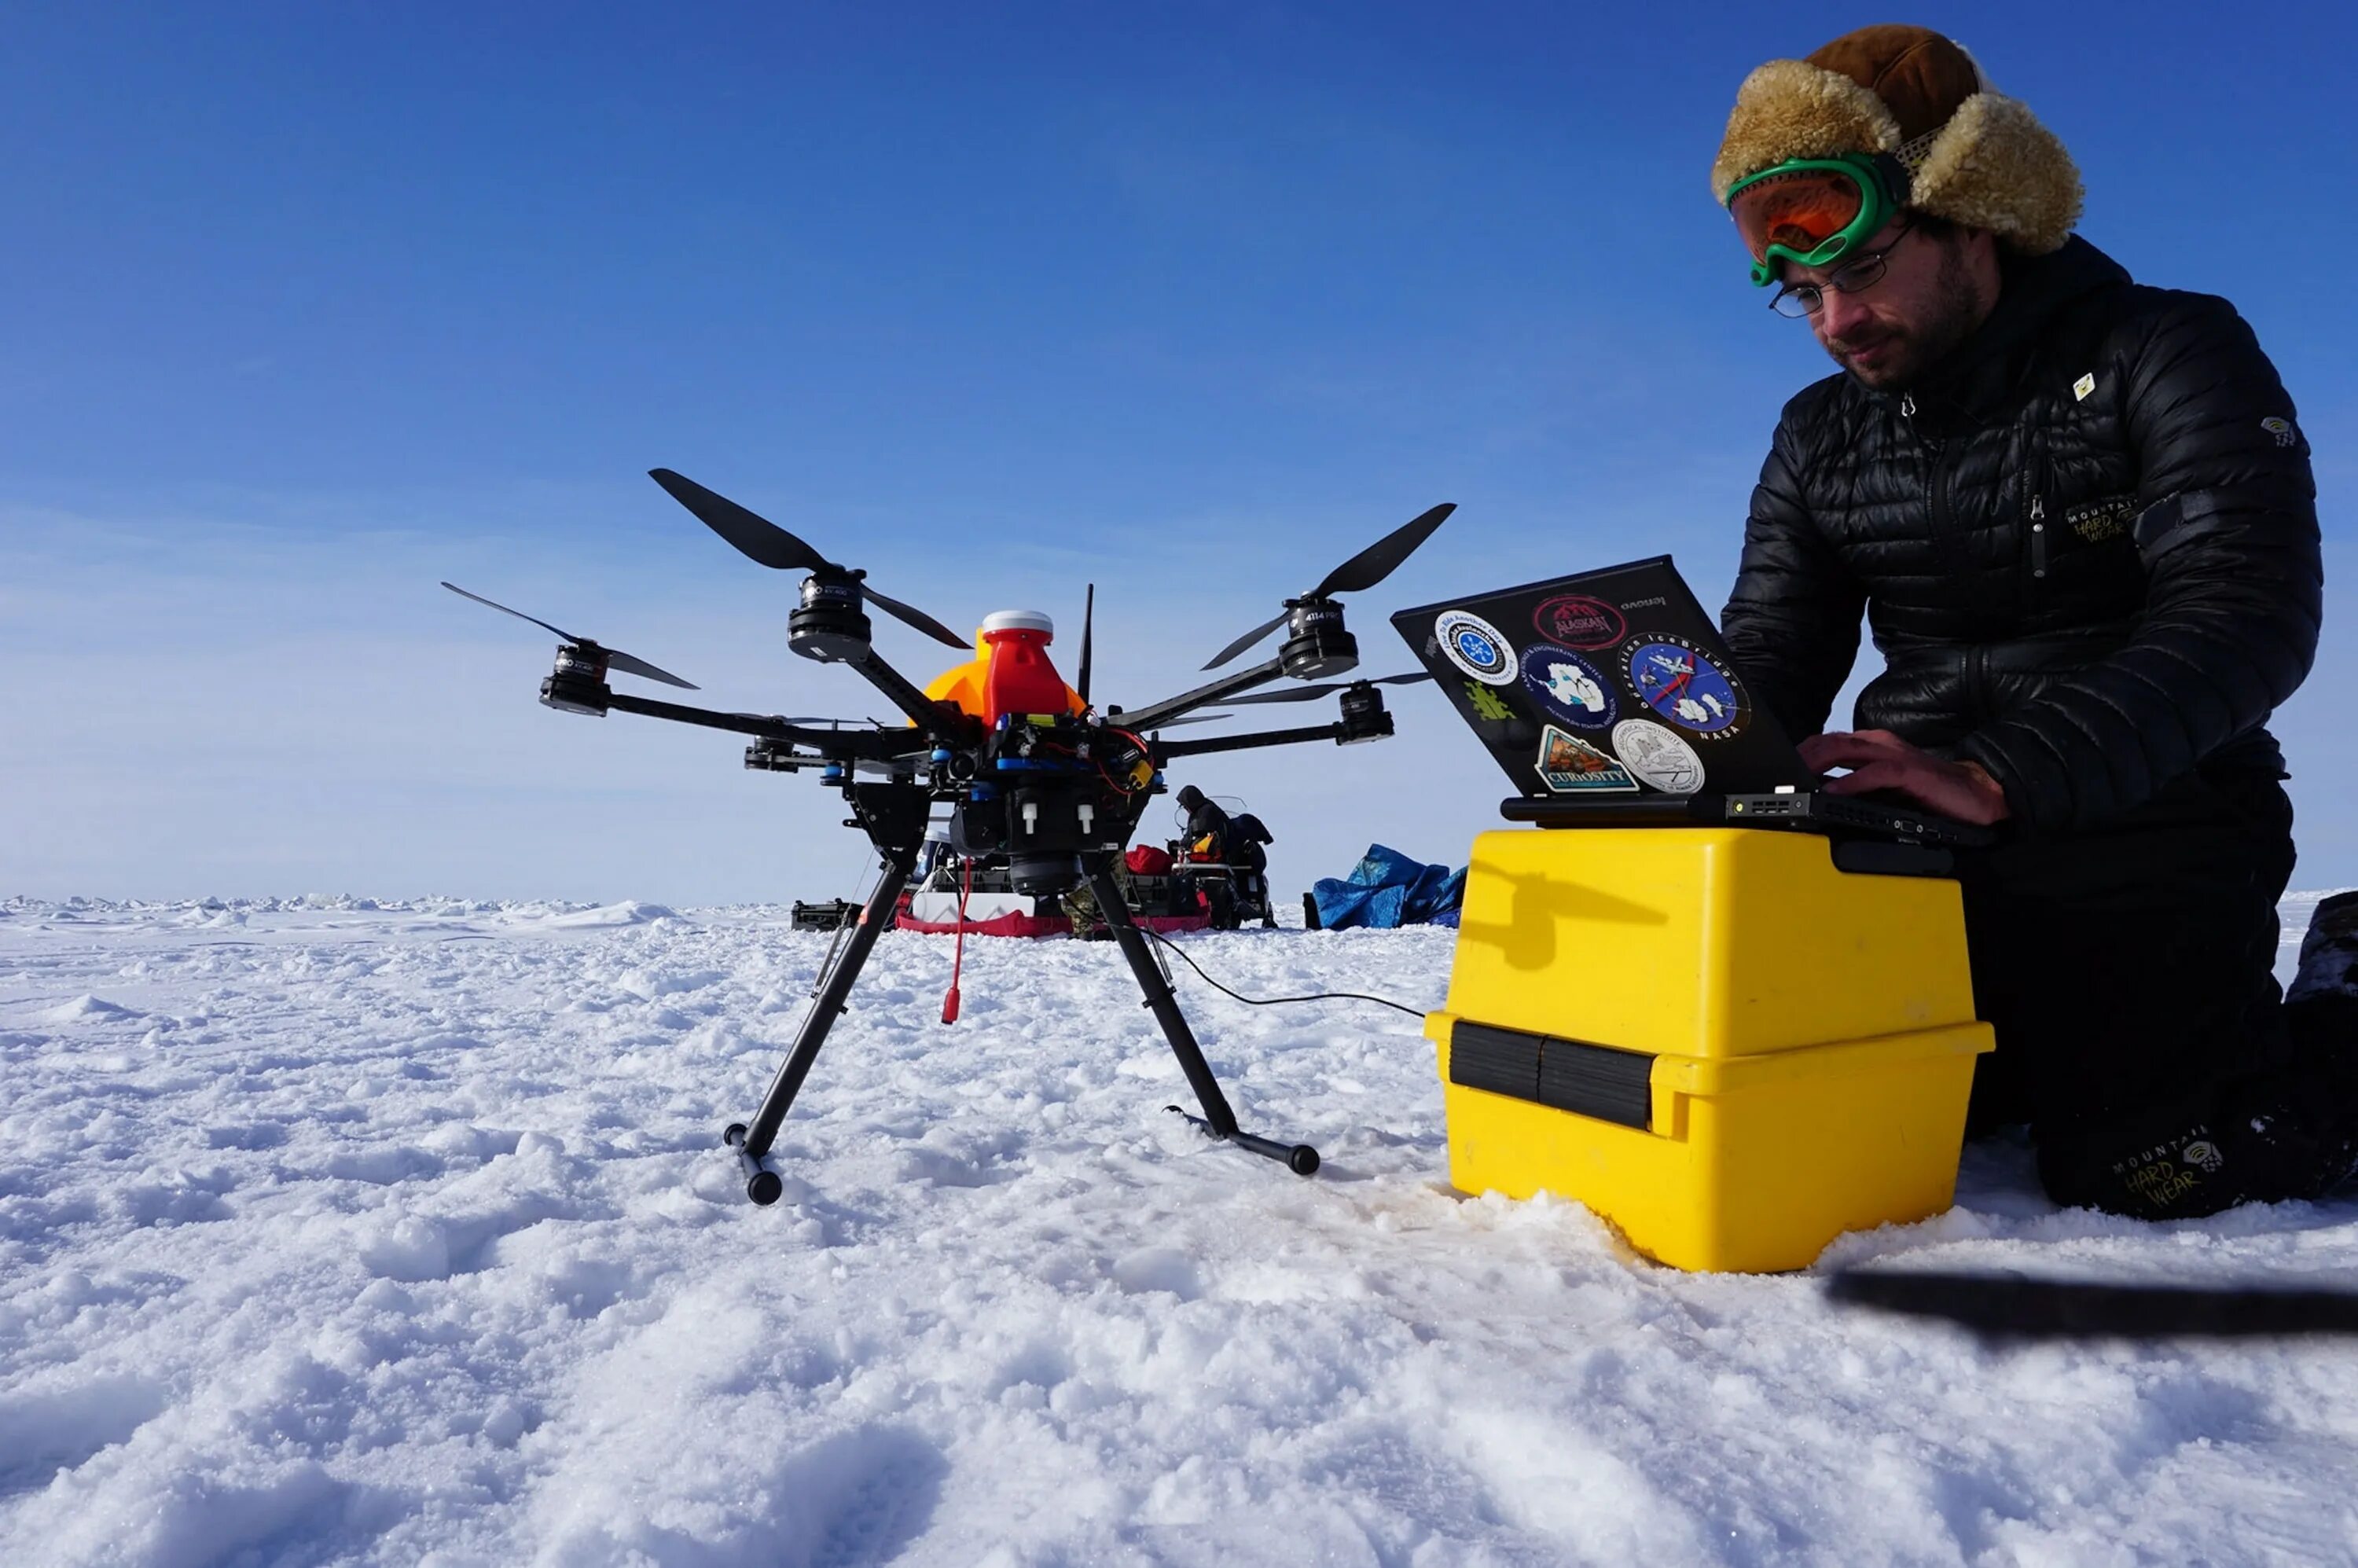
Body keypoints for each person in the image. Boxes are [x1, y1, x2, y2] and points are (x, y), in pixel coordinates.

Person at [1710, 24, 2352, 1217]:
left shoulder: (2168, 347)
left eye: (1861, 271)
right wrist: (1681, 756)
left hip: (2149, 826)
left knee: (2144, 1169)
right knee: (1851, 1121)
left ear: (1976, 210)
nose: (1836, 323)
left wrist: (2005, 771)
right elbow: (1775, 649)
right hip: (1913, 857)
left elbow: (2246, 612)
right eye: (1803, 294)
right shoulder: (1820, 433)